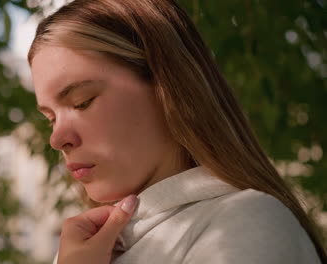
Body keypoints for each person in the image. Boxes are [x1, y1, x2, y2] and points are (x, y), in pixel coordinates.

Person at [27, 0, 327, 263]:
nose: (57, 139)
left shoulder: (248, 223)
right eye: (50, 118)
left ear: (166, 87)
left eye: (82, 102)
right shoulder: (83, 250)